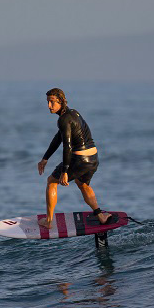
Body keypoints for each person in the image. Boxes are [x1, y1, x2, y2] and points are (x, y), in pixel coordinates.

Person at [37, 88, 113, 229]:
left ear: (60, 101)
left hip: (79, 160)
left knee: (51, 182)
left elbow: (68, 146)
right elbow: (58, 137)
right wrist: (45, 158)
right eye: (47, 102)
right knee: (82, 184)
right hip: (93, 159)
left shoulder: (63, 120)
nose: (49, 106)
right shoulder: (73, 113)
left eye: (52, 102)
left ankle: (48, 221)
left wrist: (65, 171)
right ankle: (100, 215)